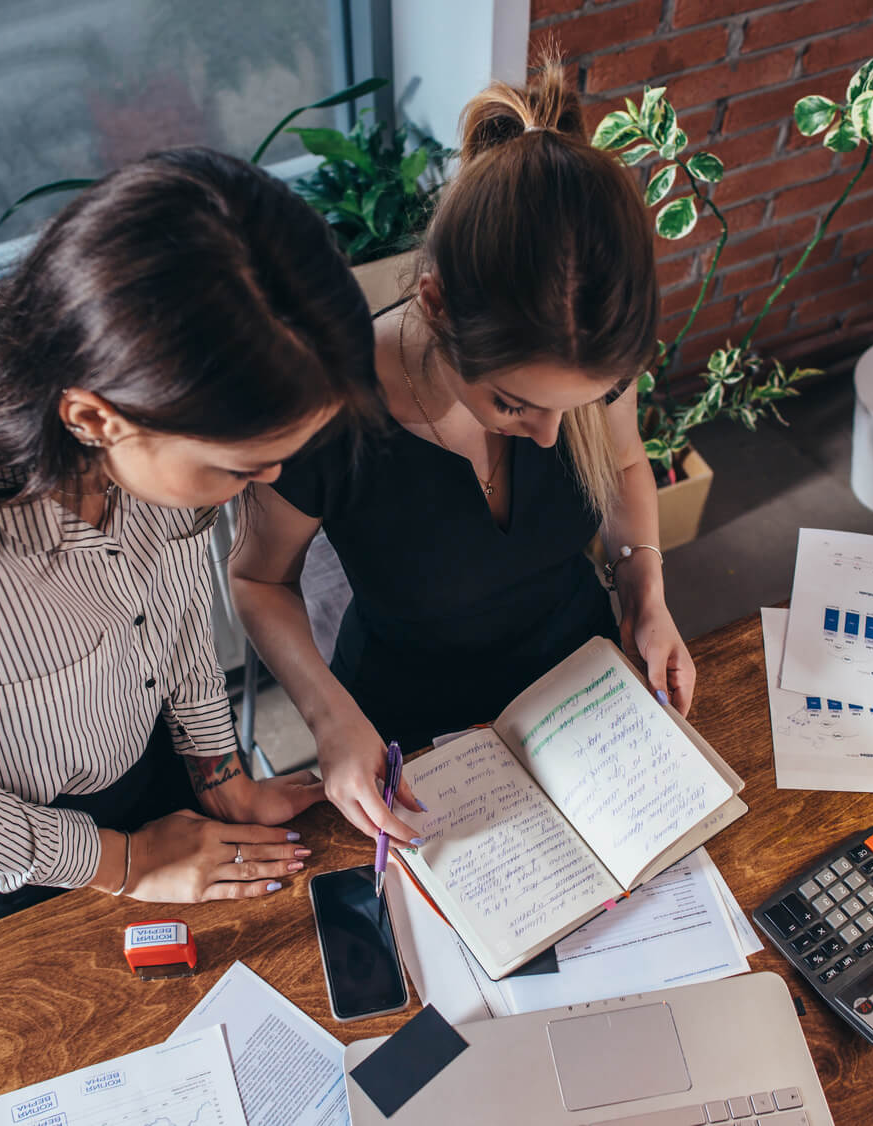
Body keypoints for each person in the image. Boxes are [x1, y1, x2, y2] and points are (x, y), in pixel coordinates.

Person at [0, 148, 378, 922]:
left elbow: (168, 624)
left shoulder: (147, 435)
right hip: (18, 843)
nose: (267, 482)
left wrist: (219, 776)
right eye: (242, 467)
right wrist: (127, 863)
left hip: (154, 755)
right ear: (94, 418)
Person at [228, 61, 698, 846]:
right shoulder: (328, 407)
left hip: (577, 688)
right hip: (408, 728)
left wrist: (644, 594)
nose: (550, 437)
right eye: (512, 404)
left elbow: (621, 467)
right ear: (436, 304)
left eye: (572, 407)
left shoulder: (588, 346)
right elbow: (255, 578)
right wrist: (328, 717)